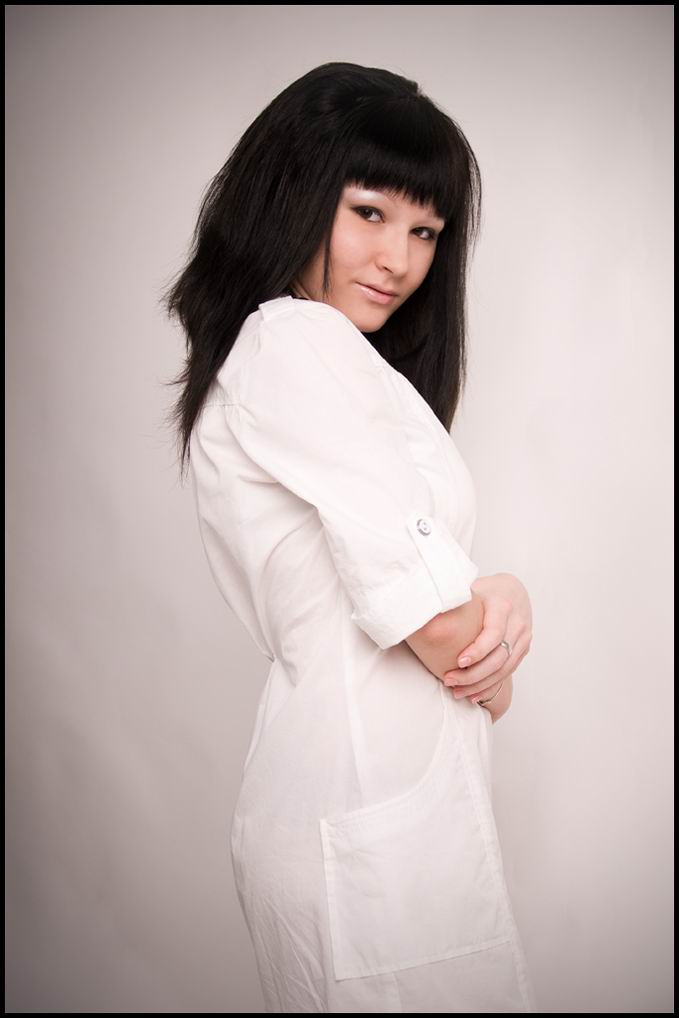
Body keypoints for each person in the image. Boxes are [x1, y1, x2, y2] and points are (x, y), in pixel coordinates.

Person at [160, 61, 538, 1013]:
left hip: (374, 807)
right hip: (362, 808)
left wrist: (495, 593)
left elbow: (436, 616)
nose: (398, 260)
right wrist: (490, 613)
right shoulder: (294, 341)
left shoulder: (323, 361)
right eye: (368, 212)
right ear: (292, 193)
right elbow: (446, 642)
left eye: (424, 231)